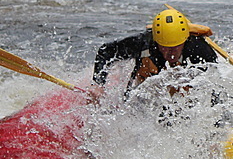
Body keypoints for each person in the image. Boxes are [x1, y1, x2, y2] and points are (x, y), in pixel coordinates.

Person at [92, 8, 220, 95]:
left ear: (184, 41)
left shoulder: (199, 49)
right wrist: (99, 84)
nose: (171, 53)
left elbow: (215, 82)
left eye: (176, 47)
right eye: (165, 47)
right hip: (144, 92)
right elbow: (105, 52)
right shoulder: (143, 42)